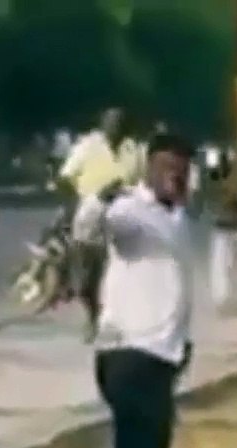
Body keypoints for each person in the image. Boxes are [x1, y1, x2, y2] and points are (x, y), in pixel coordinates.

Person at [82, 132, 195, 448]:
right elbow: (92, 228)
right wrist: (99, 199)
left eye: (183, 170)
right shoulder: (132, 212)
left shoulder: (178, 218)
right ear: (150, 168)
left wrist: (184, 342)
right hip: (129, 352)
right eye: (167, 168)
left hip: (160, 353)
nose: (175, 177)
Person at [57, 107, 144, 342]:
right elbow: (65, 178)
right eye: (111, 122)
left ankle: (114, 320)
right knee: (87, 276)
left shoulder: (134, 150)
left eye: (120, 123)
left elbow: (143, 183)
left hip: (124, 216)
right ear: (102, 124)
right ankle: (92, 313)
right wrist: (70, 208)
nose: (115, 127)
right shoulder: (88, 146)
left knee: (120, 273)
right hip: (91, 213)